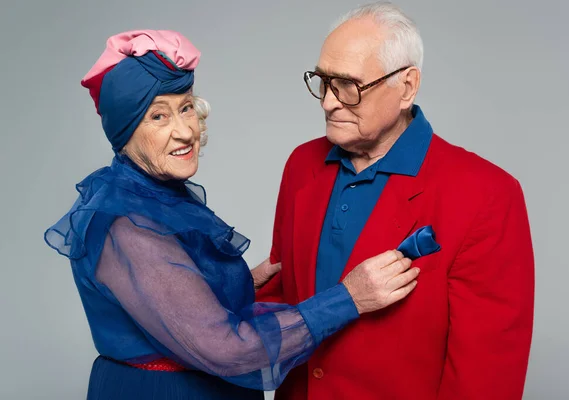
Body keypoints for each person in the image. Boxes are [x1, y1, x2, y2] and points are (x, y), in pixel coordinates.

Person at [43, 30, 432, 400]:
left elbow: (168, 304)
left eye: (186, 108)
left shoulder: (156, 193)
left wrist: (243, 283)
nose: (184, 132)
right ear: (125, 133)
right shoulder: (128, 223)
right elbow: (226, 349)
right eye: (158, 117)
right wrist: (348, 298)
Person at [256, 2, 535, 400]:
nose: (328, 102)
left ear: (407, 85)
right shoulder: (302, 164)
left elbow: (487, 376)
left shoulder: (488, 193)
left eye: (348, 85)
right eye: (323, 81)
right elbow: (282, 301)